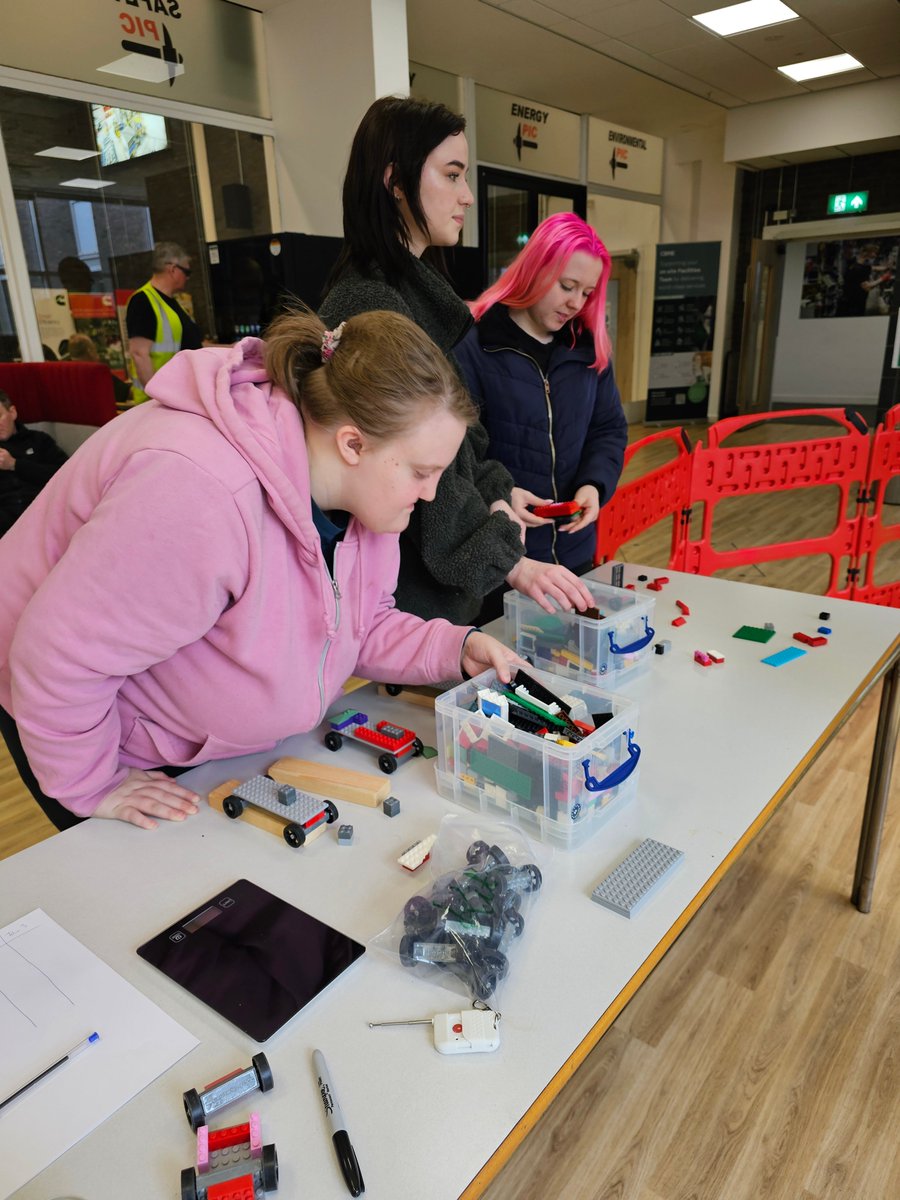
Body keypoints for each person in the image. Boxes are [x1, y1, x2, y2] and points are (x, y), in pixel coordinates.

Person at [0, 308, 521, 833]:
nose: (432, 494)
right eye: (422, 472)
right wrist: (94, 782)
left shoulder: (367, 504)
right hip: (77, 720)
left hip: (198, 741)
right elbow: (61, 656)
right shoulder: (201, 494)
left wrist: (451, 649)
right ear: (353, 443)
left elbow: (353, 624)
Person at [319, 95, 593, 625]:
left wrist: (498, 489)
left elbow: (456, 443)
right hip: (405, 609)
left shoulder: (411, 298)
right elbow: (412, 466)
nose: (467, 196)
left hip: (433, 602)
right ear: (395, 182)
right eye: (451, 175)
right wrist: (510, 563)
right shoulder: (370, 305)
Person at [456, 213, 627, 579]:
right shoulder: (475, 344)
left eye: (587, 293)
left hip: (575, 550)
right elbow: (457, 448)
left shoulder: (590, 350)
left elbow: (609, 429)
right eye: (567, 286)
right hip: (504, 555)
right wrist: (500, 493)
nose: (575, 303)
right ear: (536, 269)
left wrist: (594, 485)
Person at [125, 241, 203, 400]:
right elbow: (139, 354)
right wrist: (158, 398)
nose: (187, 278)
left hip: (176, 395)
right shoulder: (143, 300)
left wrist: (229, 348)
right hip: (157, 404)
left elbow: (192, 343)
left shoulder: (172, 303)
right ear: (173, 269)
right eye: (187, 272)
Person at [0, 388, 68, 537]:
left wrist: (15, 464)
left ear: (12, 413)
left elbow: (67, 476)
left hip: (46, 515)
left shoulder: (39, 440)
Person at [66, 332, 133, 409]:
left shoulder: (66, 374)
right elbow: (128, 394)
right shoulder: (97, 372)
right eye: (94, 347)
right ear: (90, 351)